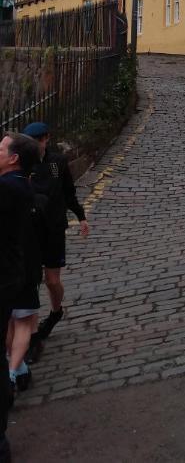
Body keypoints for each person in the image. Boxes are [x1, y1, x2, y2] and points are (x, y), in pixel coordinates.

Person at [22, 123, 89, 344]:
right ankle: (31, 336)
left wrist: (81, 216)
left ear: (46, 139)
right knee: (31, 281)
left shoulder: (56, 163)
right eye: (30, 142)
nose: (35, 146)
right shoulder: (22, 164)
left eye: (38, 141)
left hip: (53, 228)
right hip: (30, 230)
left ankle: (56, 311)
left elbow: (68, 191)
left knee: (52, 281)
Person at [0, 132, 41, 461]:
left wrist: (76, 214)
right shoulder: (23, 179)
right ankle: (18, 367)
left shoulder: (51, 165)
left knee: (23, 319)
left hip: (36, 252)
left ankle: (14, 370)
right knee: (15, 322)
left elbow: (60, 190)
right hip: (19, 263)